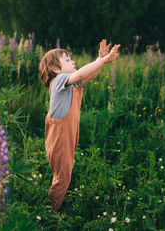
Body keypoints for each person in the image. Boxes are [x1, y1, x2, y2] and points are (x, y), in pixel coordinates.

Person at [39, 40, 120, 211]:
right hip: (60, 137)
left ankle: (51, 207)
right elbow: (81, 73)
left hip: (67, 135)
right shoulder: (60, 80)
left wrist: (100, 59)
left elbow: (88, 75)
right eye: (67, 60)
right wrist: (102, 61)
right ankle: (48, 214)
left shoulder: (68, 83)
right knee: (62, 178)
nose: (73, 62)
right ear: (55, 69)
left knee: (63, 176)